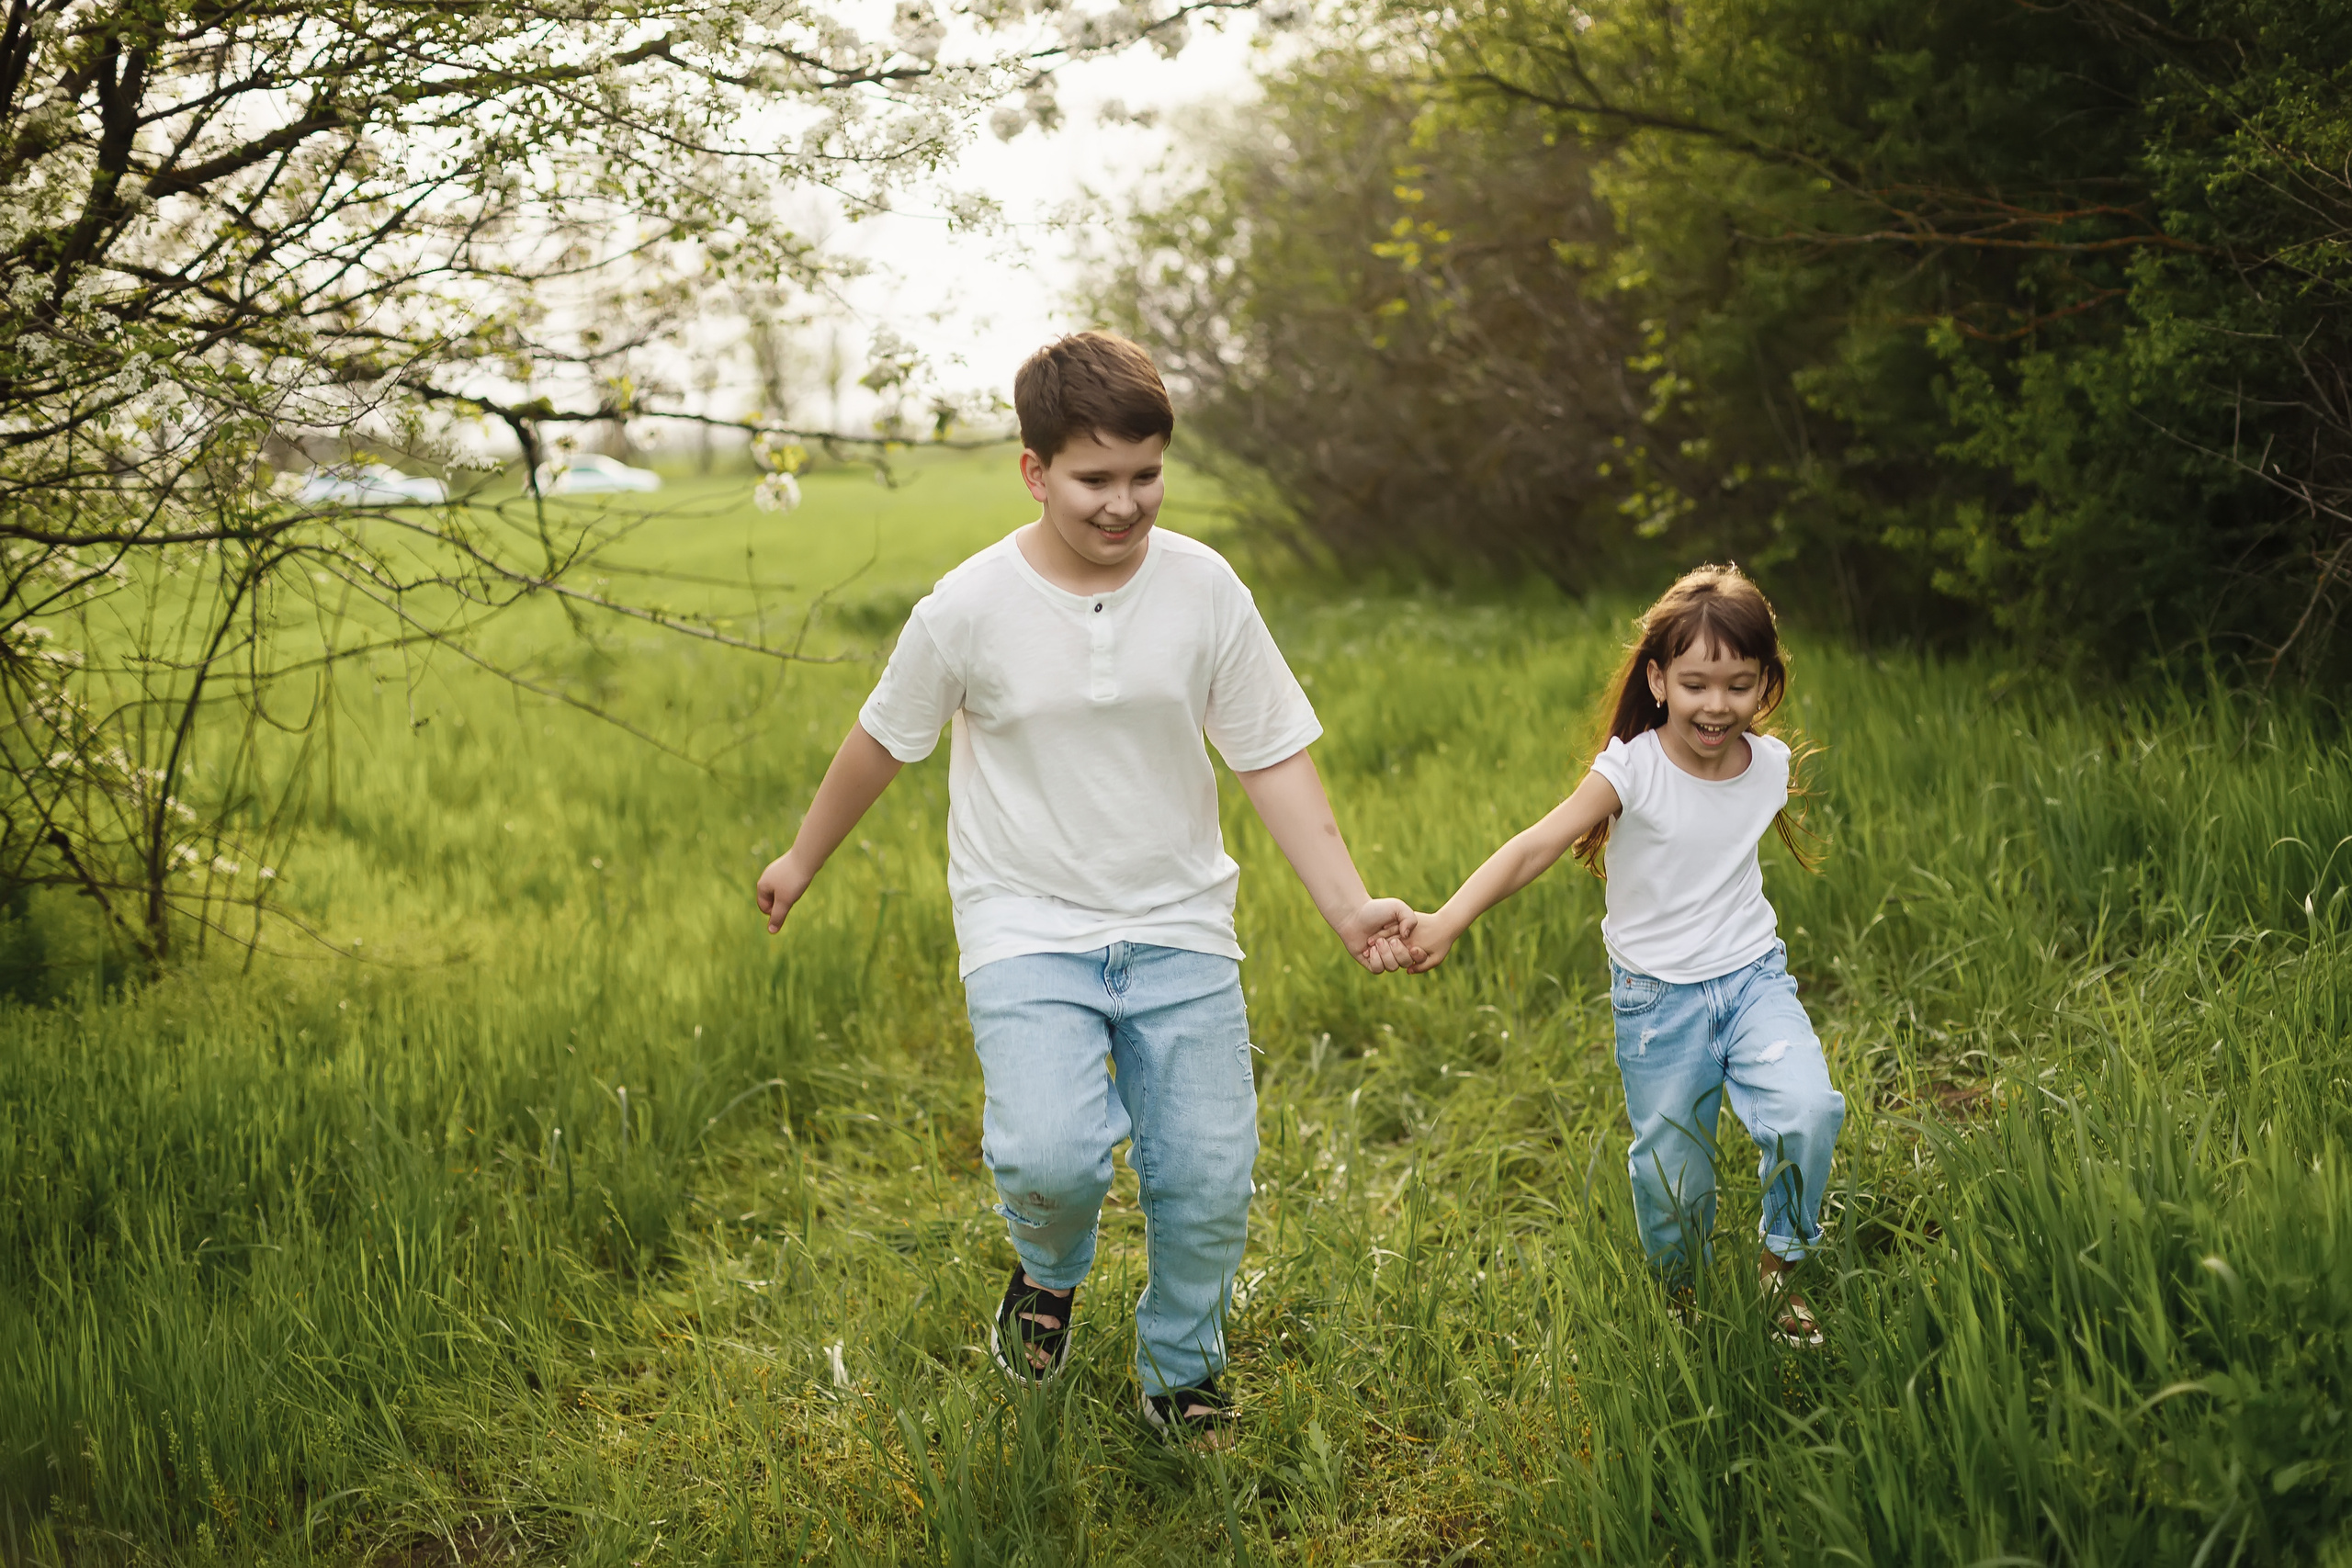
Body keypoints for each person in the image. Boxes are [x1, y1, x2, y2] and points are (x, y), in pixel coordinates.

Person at [755, 332, 1414, 1438]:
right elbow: (884, 739)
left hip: (1179, 920)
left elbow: (1269, 755)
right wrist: (802, 856)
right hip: (1024, 921)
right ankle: (1049, 1267)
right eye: (1093, 479)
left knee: (1207, 1175)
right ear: (1034, 470)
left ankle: (1180, 1369)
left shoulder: (1204, 589)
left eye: (1144, 476)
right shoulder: (969, 605)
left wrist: (1348, 905)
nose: (1123, 505)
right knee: (1049, 1156)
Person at [1401, 565, 1845, 1343]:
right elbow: (1538, 844)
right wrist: (1449, 918)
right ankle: (1684, 1297)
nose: (1717, 705)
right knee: (1672, 1179)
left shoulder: (1768, 766)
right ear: (1658, 678)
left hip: (1750, 981)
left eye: (1739, 684)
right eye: (1696, 683)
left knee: (1808, 1110)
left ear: (1767, 683)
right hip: (1657, 1002)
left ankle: (1780, 1272)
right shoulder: (1631, 768)